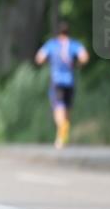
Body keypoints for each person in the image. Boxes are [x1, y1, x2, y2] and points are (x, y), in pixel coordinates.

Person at [34, 21, 89, 149]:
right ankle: (62, 136)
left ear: (57, 32)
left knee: (58, 108)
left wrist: (48, 61)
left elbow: (39, 58)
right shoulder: (74, 44)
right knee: (67, 108)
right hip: (70, 80)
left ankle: (62, 129)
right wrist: (77, 65)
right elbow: (84, 57)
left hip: (57, 80)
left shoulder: (52, 44)